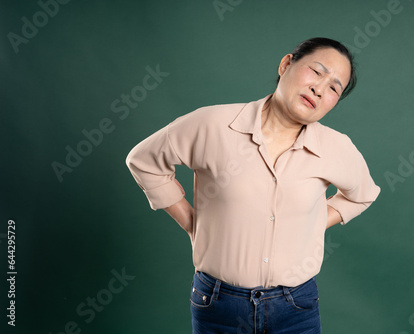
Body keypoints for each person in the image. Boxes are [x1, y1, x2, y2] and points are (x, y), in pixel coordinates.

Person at [126, 37, 380, 333]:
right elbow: (143, 161)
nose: (320, 88)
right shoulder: (211, 124)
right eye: (317, 71)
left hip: (297, 306)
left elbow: (362, 195)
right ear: (286, 64)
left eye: (335, 87)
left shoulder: (336, 147)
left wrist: (313, 222)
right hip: (219, 303)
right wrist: (192, 222)